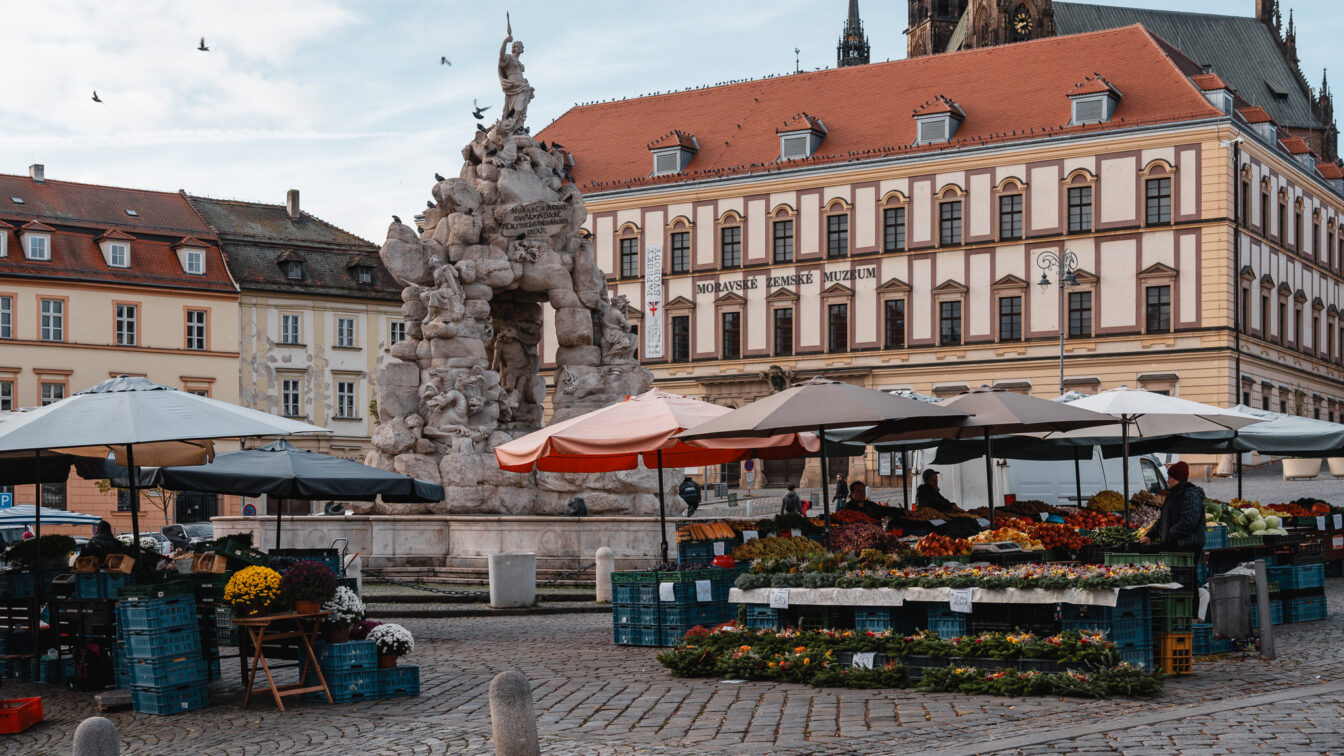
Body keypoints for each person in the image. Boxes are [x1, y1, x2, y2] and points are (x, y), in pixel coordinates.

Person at [1140, 461, 1206, 552]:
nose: (1168, 481)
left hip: (1186, 548)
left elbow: (1188, 522)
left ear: (1177, 478)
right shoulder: (1172, 495)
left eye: (1170, 477)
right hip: (1174, 545)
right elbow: (1163, 519)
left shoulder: (1190, 495)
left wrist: (1170, 533)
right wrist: (1150, 536)